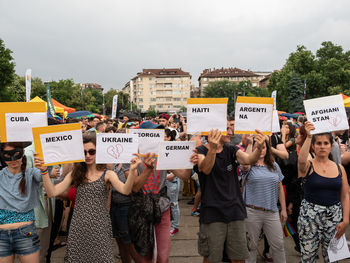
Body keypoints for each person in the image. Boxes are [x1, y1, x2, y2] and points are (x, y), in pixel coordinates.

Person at [34, 132, 142, 263]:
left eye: (92, 151)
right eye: (84, 152)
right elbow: (52, 192)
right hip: (78, 229)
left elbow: (125, 190)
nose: (88, 155)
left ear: (99, 151)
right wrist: (44, 172)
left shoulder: (108, 174)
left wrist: (132, 171)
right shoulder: (75, 174)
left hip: (100, 229)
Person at [195, 124, 266, 263]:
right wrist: (213, 148)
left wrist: (259, 147)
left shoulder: (231, 149)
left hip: (235, 212)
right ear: (214, 131)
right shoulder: (201, 150)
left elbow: (249, 160)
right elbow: (205, 169)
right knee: (211, 258)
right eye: (226, 128)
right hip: (212, 214)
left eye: (230, 128)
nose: (230, 132)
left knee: (238, 257)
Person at [298, 121, 349, 262]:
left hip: (334, 218)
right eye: (318, 143)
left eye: (325, 143)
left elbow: (345, 195)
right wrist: (308, 137)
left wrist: (346, 220)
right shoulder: (308, 166)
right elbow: (301, 161)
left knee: (332, 258)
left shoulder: (340, 168)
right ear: (313, 147)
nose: (322, 146)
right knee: (308, 258)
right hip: (309, 219)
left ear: (331, 146)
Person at [241, 136, 287, 263]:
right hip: (252, 212)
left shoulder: (274, 165)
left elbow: (280, 188)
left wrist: (283, 209)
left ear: (267, 149)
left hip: (272, 212)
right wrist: (250, 144)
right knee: (250, 247)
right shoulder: (249, 166)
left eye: (263, 147)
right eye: (258, 147)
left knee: (278, 245)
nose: (261, 150)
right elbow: (244, 163)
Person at [0, 142, 42, 263]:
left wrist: (44, 164)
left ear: (23, 153)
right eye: (7, 155)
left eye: (16, 154)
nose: (13, 159)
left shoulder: (31, 173)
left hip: (25, 232)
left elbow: (46, 174)